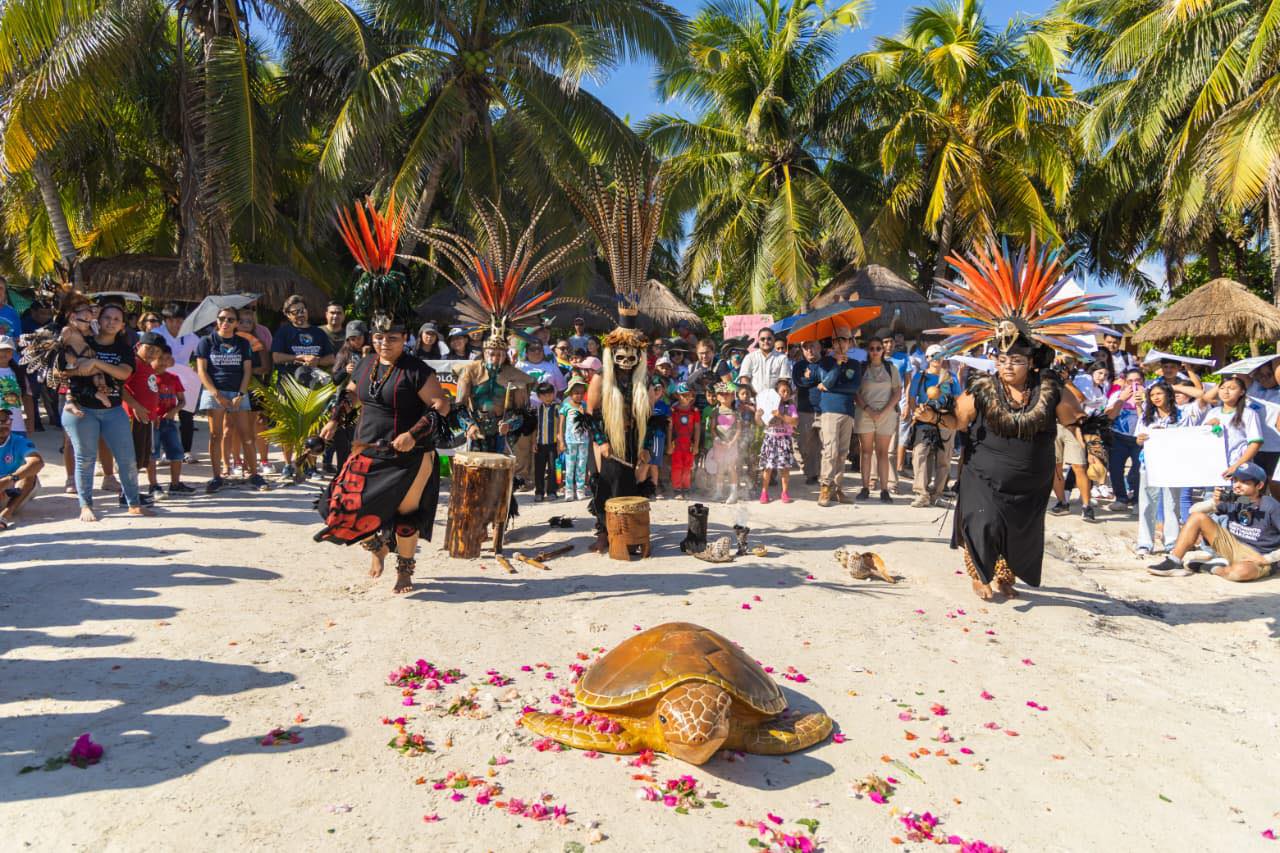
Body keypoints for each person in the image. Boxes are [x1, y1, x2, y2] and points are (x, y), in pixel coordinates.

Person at [926, 240, 1103, 600]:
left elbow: (1078, 422)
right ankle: (979, 573)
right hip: (984, 474)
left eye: (1016, 361)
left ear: (1032, 362)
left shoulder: (1051, 389)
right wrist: (933, 416)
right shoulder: (982, 387)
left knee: (1019, 528)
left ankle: (1005, 573)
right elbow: (958, 421)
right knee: (983, 519)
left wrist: (1096, 451)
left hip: (1030, 480)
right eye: (1002, 360)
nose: (1007, 366)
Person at [317, 317, 450, 594]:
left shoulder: (417, 370)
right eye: (379, 337)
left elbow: (441, 405)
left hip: (409, 455)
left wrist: (412, 435)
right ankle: (378, 546)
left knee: (405, 515)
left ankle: (404, 570)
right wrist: (334, 420)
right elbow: (350, 395)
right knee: (339, 506)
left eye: (392, 338)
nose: (384, 343)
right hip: (366, 448)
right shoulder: (366, 364)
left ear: (405, 339)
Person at [59, 302, 150, 521]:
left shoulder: (124, 349)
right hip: (81, 407)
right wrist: (86, 366)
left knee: (127, 458)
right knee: (86, 458)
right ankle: (86, 505)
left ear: (122, 326)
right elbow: (68, 368)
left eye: (116, 319)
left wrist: (95, 363)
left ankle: (133, 503)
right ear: (98, 320)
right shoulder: (83, 340)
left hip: (113, 409)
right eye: (107, 318)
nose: (111, 322)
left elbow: (122, 374)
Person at [1147, 463, 1280, 581]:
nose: (1237, 485)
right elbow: (1193, 511)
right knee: (1198, 517)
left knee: (1239, 574)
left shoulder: (1271, 506)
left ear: (1260, 485)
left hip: (1257, 554)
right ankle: (1173, 562)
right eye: (1235, 480)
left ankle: (1211, 567)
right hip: (1232, 545)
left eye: (1245, 482)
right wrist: (1214, 503)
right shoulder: (1238, 499)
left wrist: (1267, 559)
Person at [196, 308, 265, 493]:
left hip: (238, 392)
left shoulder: (243, 343)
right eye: (221, 318)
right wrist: (216, 394)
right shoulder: (206, 341)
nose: (225, 322)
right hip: (214, 391)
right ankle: (217, 476)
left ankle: (254, 474)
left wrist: (241, 395)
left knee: (247, 434)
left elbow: (247, 370)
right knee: (216, 435)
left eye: (230, 319)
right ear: (216, 320)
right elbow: (202, 371)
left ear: (236, 323)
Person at [272, 295, 335, 478]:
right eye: (295, 312)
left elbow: (330, 358)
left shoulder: (318, 333)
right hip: (289, 385)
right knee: (288, 426)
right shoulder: (284, 332)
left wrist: (317, 360)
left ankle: (311, 466)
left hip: (312, 386)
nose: (300, 314)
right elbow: (276, 357)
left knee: (313, 427)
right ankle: (288, 465)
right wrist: (298, 358)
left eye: (303, 310)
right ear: (288, 315)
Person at [905, 345, 960, 507]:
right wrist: (916, 411)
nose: (937, 359)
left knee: (944, 458)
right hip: (925, 418)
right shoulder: (920, 376)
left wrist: (955, 418)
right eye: (934, 356)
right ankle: (921, 493)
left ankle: (937, 494)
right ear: (927, 358)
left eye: (940, 355)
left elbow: (957, 398)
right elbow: (912, 397)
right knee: (920, 454)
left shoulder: (951, 377)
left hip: (945, 418)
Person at [1133, 381, 1182, 556]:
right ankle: (1145, 543)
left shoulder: (1182, 416)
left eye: (1159, 394)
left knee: (1171, 504)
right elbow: (1138, 439)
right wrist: (1141, 439)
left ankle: (1172, 542)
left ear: (1169, 395)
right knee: (1147, 503)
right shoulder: (1146, 417)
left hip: (1172, 465)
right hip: (1149, 464)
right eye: (1152, 395)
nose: (1155, 398)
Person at [816, 326, 861, 507]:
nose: (841, 343)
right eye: (837, 340)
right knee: (830, 450)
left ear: (850, 342)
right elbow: (827, 381)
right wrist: (837, 365)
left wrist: (831, 387)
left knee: (843, 453)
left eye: (844, 339)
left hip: (848, 411)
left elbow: (854, 387)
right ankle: (825, 487)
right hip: (830, 410)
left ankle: (837, 488)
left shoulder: (856, 364)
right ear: (833, 343)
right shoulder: (825, 362)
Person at [855, 336, 901, 502]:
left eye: (878, 348)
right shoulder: (861, 368)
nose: (875, 351)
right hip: (865, 413)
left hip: (886, 414)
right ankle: (865, 487)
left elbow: (897, 392)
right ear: (868, 350)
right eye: (872, 348)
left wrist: (884, 411)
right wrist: (869, 410)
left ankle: (884, 490)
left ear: (883, 350)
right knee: (866, 452)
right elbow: (856, 392)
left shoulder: (891, 368)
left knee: (883, 453)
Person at [156, 303, 201, 461]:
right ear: (165, 320)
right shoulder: (156, 334)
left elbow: (201, 352)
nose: (176, 324)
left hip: (185, 380)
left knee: (186, 415)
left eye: (179, 321)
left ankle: (186, 451)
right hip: (161, 378)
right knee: (162, 414)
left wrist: (196, 367)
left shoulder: (190, 336)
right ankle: (163, 451)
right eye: (171, 320)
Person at [121, 333, 161, 503]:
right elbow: (119, 387)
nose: (152, 353)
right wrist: (135, 406)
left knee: (140, 458)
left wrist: (155, 413)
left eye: (156, 351)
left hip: (147, 418)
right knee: (132, 457)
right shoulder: (134, 363)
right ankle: (127, 495)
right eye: (148, 348)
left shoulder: (148, 366)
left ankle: (132, 491)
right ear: (138, 345)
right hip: (133, 416)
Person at [1204, 375, 1263, 479]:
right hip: (1213, 466)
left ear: (1242, 392)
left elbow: (1255, 443)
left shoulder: (1248, 413)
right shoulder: (1213, 412)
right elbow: (1202, 437)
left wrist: (1236, 466)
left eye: (1232, 388)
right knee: (1211, 495)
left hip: (1238, 469)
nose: (1226, 392)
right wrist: (1208, 425)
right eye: (1222, 388)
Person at [150, 346, 191, 494]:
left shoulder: (174, 378)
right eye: (160, 358)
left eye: (167, 358)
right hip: (152, 422)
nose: (163, 362)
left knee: (176, 453)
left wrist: (173, 411)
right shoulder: (148, 378)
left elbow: (182, 401)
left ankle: (175, 484)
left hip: (169, 421)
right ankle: (153, 485)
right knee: (152, 455)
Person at [1105, 366, 1146, 512]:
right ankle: (1121, 498)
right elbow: (1109, 416)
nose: (1134, 384)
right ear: (1125, 382)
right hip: (1118, 437)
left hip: (1139, 439)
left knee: (1138, 469)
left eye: (1137, 381)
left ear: (1143, 381)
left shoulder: (1149, 395)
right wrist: (1121, 399)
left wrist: (1141, 403)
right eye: (1130, 381)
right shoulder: (1117, 395)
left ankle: (1136, 500)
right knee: (1115, 468)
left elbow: (1148, 419)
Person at [0, 407, 42, 529]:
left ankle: (6, 515)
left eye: (6, 421)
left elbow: (37, 462)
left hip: (13, 490)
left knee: (30, 473)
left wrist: (9, 479)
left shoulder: (19, 441)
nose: (4, 425)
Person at [758, 376, 798, 503]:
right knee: (767, 468)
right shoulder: (767, 405)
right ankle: (764, 493)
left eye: (788, 391)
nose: (785, 394)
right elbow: (760, 423)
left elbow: (795, 421)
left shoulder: (790, 407)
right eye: (783, 391)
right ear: (776, 392)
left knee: (785, 468)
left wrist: (780, 415)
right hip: (770, 439)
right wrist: (757, 415)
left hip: (784, 440)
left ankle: (785, 493)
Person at [792, 339, 824, 485]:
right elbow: (800, 382)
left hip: (825, 409)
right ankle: (810, 471)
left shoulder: (827, 363)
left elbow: (829, 379)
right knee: (805, 445)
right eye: (805, 347)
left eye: (812, 346)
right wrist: (818, 379)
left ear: (819, 346)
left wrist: (810, 377)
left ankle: (820, 474)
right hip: (805, 409)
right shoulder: (799, 366)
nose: (809, 350)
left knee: (825, 445)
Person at [707, 381, 742, 503]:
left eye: (728, 393)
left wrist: (732, 442)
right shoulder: (715, 412)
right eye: (721, 393)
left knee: (731, 467)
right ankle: (718, 492)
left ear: (733, 396)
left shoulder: (736, 413)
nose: (724, 396)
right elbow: (712, 428)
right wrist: (717, 439)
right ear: (717, 396)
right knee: (720, 468)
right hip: (719, 445)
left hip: (731, 445)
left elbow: (738, 429)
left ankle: (733, 493)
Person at [558, 376, 590, 501]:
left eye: (582, 393)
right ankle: (569, 490)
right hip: (570, 441)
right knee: (570, 466)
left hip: (583, 441)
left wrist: (584, 414)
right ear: (570, 393)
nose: (579, 396)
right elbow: (561, 425)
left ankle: (580, 489)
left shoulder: (585, 405)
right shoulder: (566, 406)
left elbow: (588, 423)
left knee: (581, 465)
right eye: (576, 393)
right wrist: (561, 441)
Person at [666, 382, 700, 500]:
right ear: (677, 395)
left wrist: (696, 445)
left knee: (687, 467)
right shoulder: (673, 410)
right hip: (677, 444)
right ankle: (677, 489)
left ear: (692, 396)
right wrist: (669, 444)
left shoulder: (694, 411)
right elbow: (670, 428)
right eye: (683, 395)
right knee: (677, 466)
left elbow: (697, 428)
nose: (686, 397)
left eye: (688, 395)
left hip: (689, 444)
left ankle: (686, 488)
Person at [737, 326, 789, 401]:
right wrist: (753, 394)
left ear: (774, 340)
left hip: (775, 401)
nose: (766, 341)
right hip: (754, 402)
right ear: (758, 341)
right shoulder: (749, 357)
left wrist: (776, 396)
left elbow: (783, 380)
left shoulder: (782, 358)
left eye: (769, 339)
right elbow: (744, 379)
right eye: (762, 339)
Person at [0, 336, 35, 436]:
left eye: (7, 350)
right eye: (1, 350)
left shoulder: (18, 373)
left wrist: (30, 421)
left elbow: (27, 397)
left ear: (12, 353)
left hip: (17, 427)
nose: (3, 353)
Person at [531, 382, 560, 502]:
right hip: (540, 444)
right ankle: (539, 492)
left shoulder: (558, 408)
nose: (548, 396)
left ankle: (552, 491)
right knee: (539, 469)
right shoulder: (537, 409)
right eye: (545, 395)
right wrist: (533, 442)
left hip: (553, 444)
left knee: (553, 468)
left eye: (550, 394)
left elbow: (560, 425)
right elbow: (535, 427)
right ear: (539, 397)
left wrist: (560, 442)